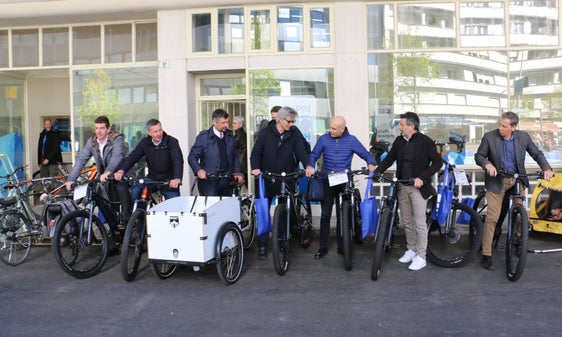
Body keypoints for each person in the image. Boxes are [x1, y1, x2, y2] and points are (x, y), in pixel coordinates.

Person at [475, 111, 554, 270]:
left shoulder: (523, 137)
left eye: (504, 126)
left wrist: (546, 168)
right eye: (499, 124)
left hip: (517, 179)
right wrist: (488, 164)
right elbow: (479, 156)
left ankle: (518, 242)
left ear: (514, 127)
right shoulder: (490, 137)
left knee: (520, 217)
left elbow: (537, 154)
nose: (500, 128)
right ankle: (486, 253)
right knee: (492, 217)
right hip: (497, 181)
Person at [373, 112, 442, 271]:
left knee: (419, 223)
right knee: (406, 221)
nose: (400, 127)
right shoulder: (399, 141)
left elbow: (437, 163)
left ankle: (421, 256)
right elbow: (389, 159)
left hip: (418, 188)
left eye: (402, 124)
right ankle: (411, 249)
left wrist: (422, 177)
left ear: (411, 126)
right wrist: (376, 173)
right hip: (402, 186)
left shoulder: (426, 141)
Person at [305, 116, 376, 259]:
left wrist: (371, 163)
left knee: (341, 215)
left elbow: (366, 154)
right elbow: (314, 154)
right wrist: (310, 165)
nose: (330, 130)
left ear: (342, 130)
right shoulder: (324, 139)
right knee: (325, 215)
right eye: (330, 127)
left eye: (333, 129)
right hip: (327, 180)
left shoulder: (351, 140)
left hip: (343, 182)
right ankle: (323, 247)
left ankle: (342, 246)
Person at [250, 106, 310, 260]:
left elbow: (301, 150)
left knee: (284, 212)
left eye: (293, 121)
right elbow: (256, 153)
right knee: (263, 212)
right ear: (280, 120)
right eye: (289, 121)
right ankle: (262, 246)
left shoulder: (294, 132)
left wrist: (308, 165)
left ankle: (283, 244)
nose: (291, 124)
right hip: (266, 178)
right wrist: (255, 168)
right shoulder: (265, 133)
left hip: (286, 177)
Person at [64, 115, 132, 221]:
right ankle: (113, 229)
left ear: (108, 129)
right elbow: (82, 160)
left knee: (123, 200)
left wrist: (108, 171)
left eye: (102, 128)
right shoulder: (92, 142)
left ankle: (129, 225)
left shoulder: (116, 139)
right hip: (106, 178)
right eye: (96, 128)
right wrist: (71, 179)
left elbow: (117, 157)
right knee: (108, 205)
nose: (98, 131)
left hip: (122, 175)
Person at [114, 118, 184, 200]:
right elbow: (133, 156)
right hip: (152, 178)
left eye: (160, 130)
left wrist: (176, 178)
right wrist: (121, 170)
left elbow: (178, 160)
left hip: (169, 180)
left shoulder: (172, 141)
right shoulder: (145, 142)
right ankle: (141, 211)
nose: (159, 134)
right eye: (155, 131)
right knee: (135, 191)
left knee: (174, 205)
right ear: (149, 133)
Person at [188, 109, 244, 196]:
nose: (226, 125)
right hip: (209, 182)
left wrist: (237, 173)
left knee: (227, 208)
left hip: (227, 181)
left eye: (227, 122)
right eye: (223, 123)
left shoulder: (230, 136)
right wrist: (198, 170)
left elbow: (235, 156)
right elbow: (192, 157)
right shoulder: (204, 137)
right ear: (214, 122)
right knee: (212, 208)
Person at [232, 115, 248, 186]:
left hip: (240, 165)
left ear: (240, 125)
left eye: (235, 123)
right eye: (233, 123)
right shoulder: (242, 134)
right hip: (243, 165)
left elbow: (232, 149)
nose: (232, 125)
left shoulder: (239, 135)